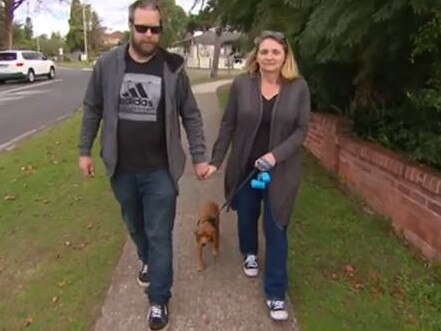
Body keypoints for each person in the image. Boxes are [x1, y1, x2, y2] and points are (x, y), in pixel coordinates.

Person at [78, 1, 208, 330]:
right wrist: (85, 150)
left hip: (160, 170)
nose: (149, 35)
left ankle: (159, 300)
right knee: (135, 226)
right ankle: (145, 258)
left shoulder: (173, 67)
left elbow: (190, 114)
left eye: (155, 29)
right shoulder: (107, 64)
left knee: (159, 234)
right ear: (131, 27)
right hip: (121, 168)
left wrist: (199, 155)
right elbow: (92, 108)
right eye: (142, 28)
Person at [204, 30, 311, 321]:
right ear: (257, 56)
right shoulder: (242, 85)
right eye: (264, 52)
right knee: (247, 216)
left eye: (275, 52)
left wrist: (275, 156)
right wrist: (216, 160)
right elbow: (228, 125)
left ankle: (276, 293)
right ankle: (249, 251)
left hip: (282, 171)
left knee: (277, 228)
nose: (269, 57)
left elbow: (302, 130)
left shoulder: (298, 88)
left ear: (285, 56)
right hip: (246, 168)